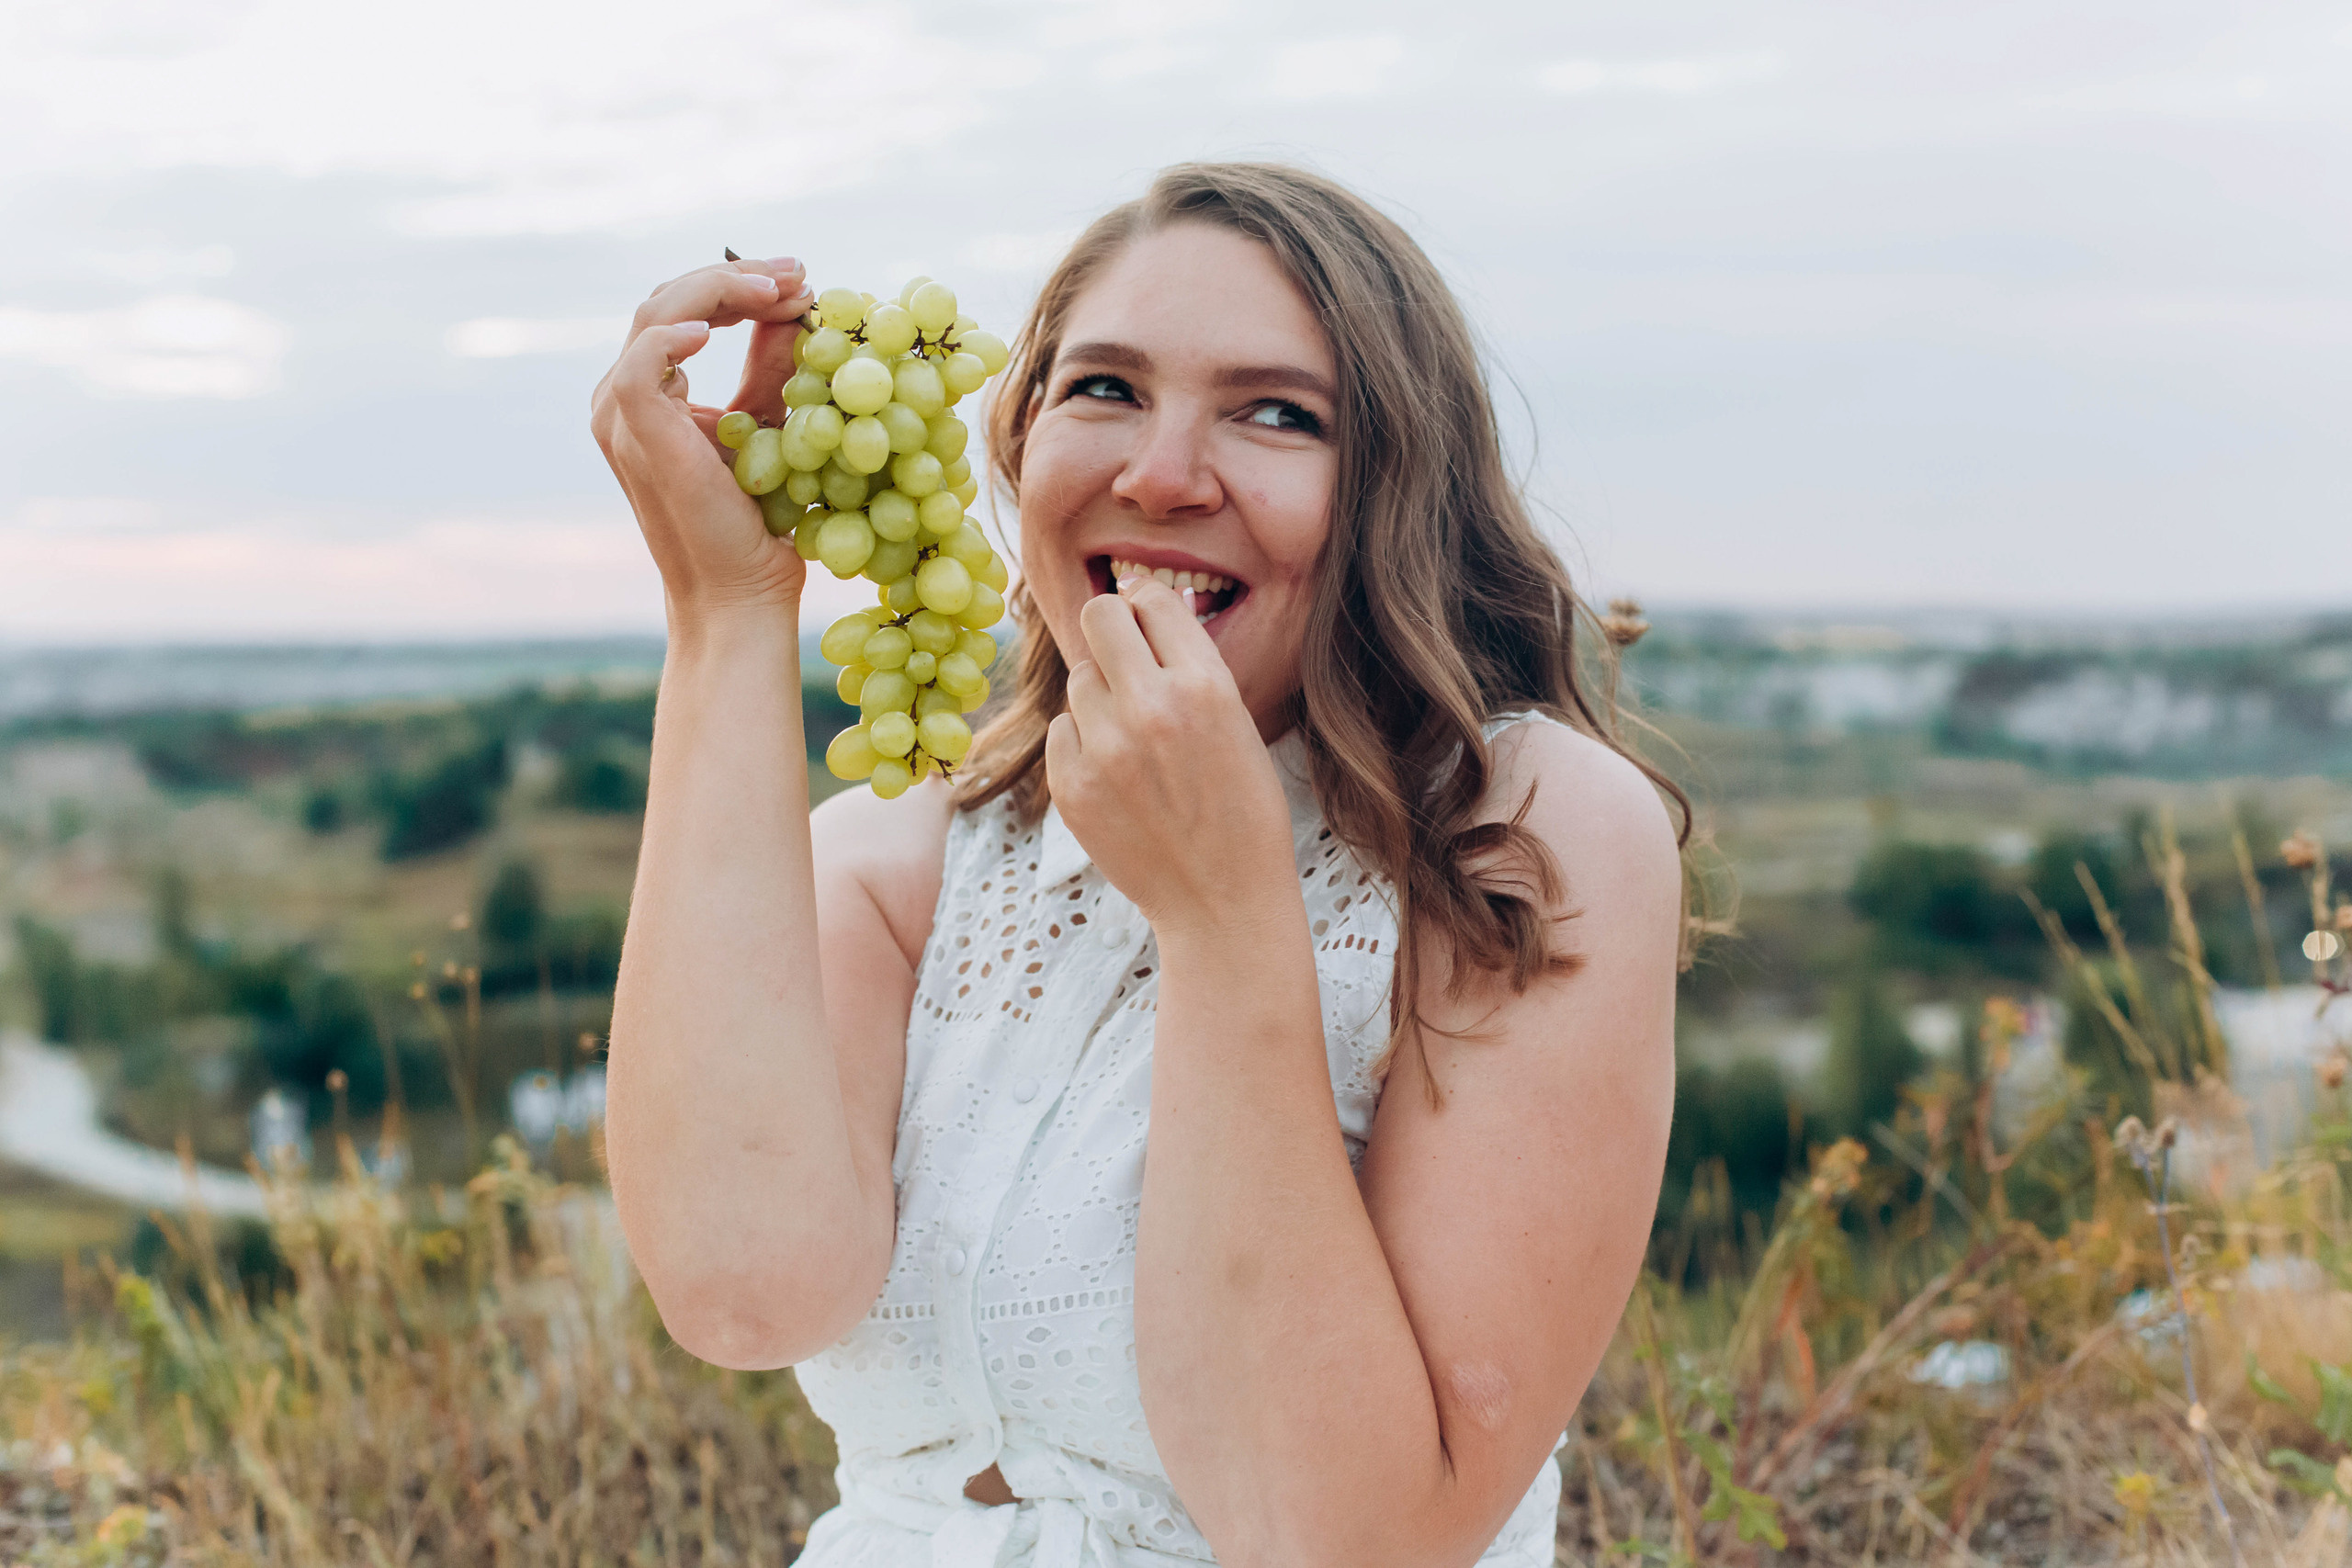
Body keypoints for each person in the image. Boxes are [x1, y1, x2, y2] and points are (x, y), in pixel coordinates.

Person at [591, 162, 1687, 1568]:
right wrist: (727, 612)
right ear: (1019, 438)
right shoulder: (909, 859)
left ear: (1400, 489)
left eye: (1276, 414)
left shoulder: (1528, 832)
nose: (1159, 475)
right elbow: (744, 1292)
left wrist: (1225, 915)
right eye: (1102, 390)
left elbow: (1344, 1538)